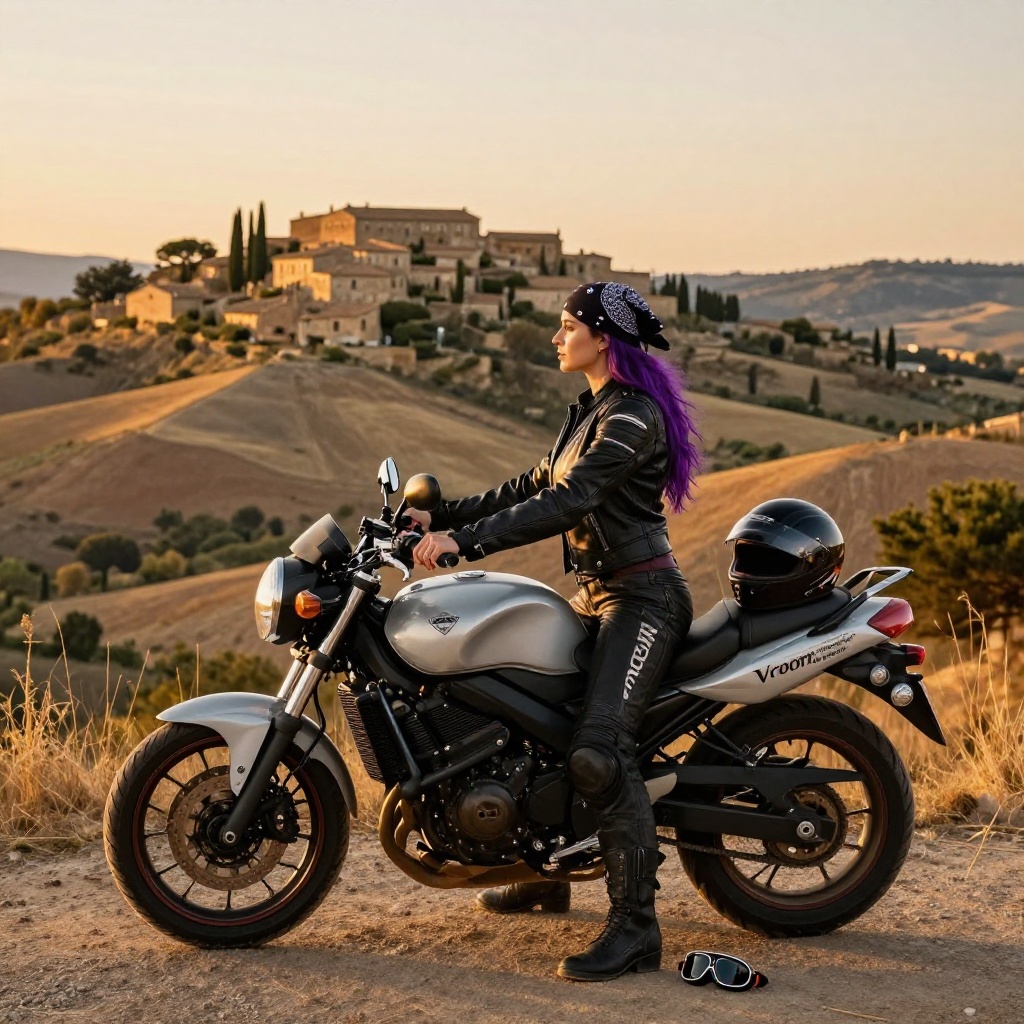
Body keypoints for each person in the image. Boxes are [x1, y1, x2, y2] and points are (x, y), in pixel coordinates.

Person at [408, 281, 700, 982]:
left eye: (568, 326)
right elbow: (529, 486)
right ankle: (544, 875)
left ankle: (636, 930)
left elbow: (571, 499)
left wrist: (464, 543)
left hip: (642, 601)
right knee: (531, 728)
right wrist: (439, 516)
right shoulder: (591, 411)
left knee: (599, 752)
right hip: (596, 596)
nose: (556, 336)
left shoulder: (632, 416)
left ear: (603, 338)